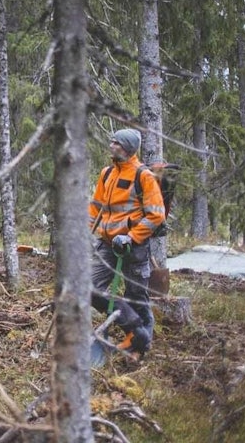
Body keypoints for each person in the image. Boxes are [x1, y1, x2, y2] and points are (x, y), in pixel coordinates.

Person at [89, 128, 165, 358]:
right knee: (91, 288)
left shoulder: (144, 176)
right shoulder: (107, 173)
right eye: (112, 142)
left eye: (117, 143)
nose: (112, 146)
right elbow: (96, 207)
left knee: (137, 295)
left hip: (134, 247)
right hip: (107, 244)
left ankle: (142, 346)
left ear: (129, 148)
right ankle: (135, 331)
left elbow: (156, 214)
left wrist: (132, 237)